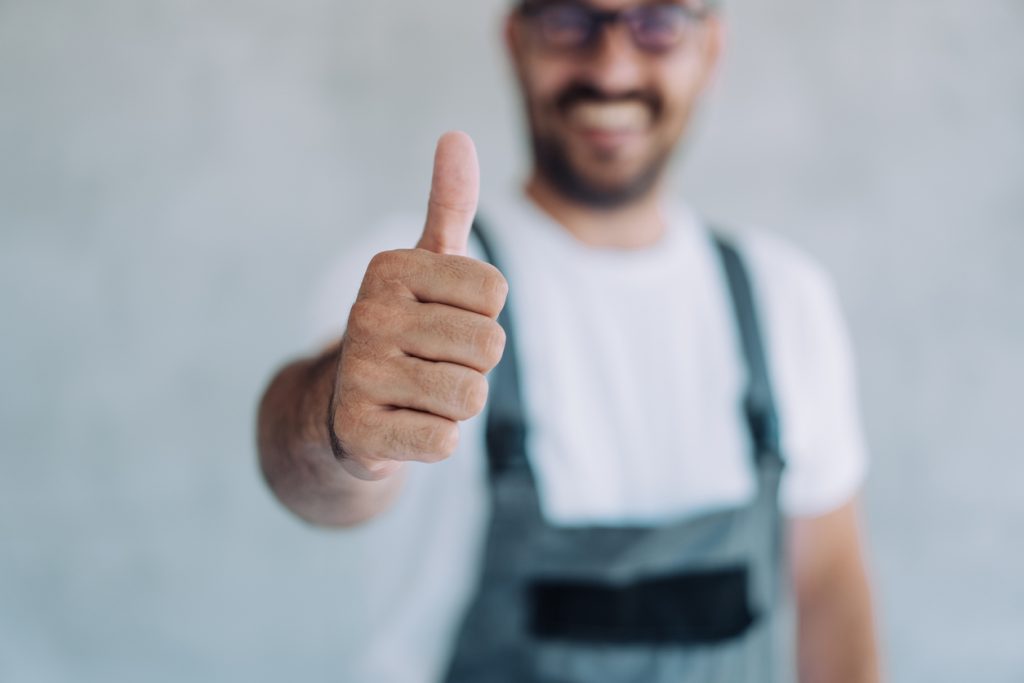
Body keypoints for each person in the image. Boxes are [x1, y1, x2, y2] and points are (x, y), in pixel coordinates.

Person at [257, 1, 881, 681]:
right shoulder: (413, 280)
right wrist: (339, 424)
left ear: (712, 51)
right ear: (516, 39)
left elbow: (825, 584)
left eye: (658, 22)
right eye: (569, 20)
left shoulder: (785, 297)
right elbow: (312, 476)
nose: (612, 67)